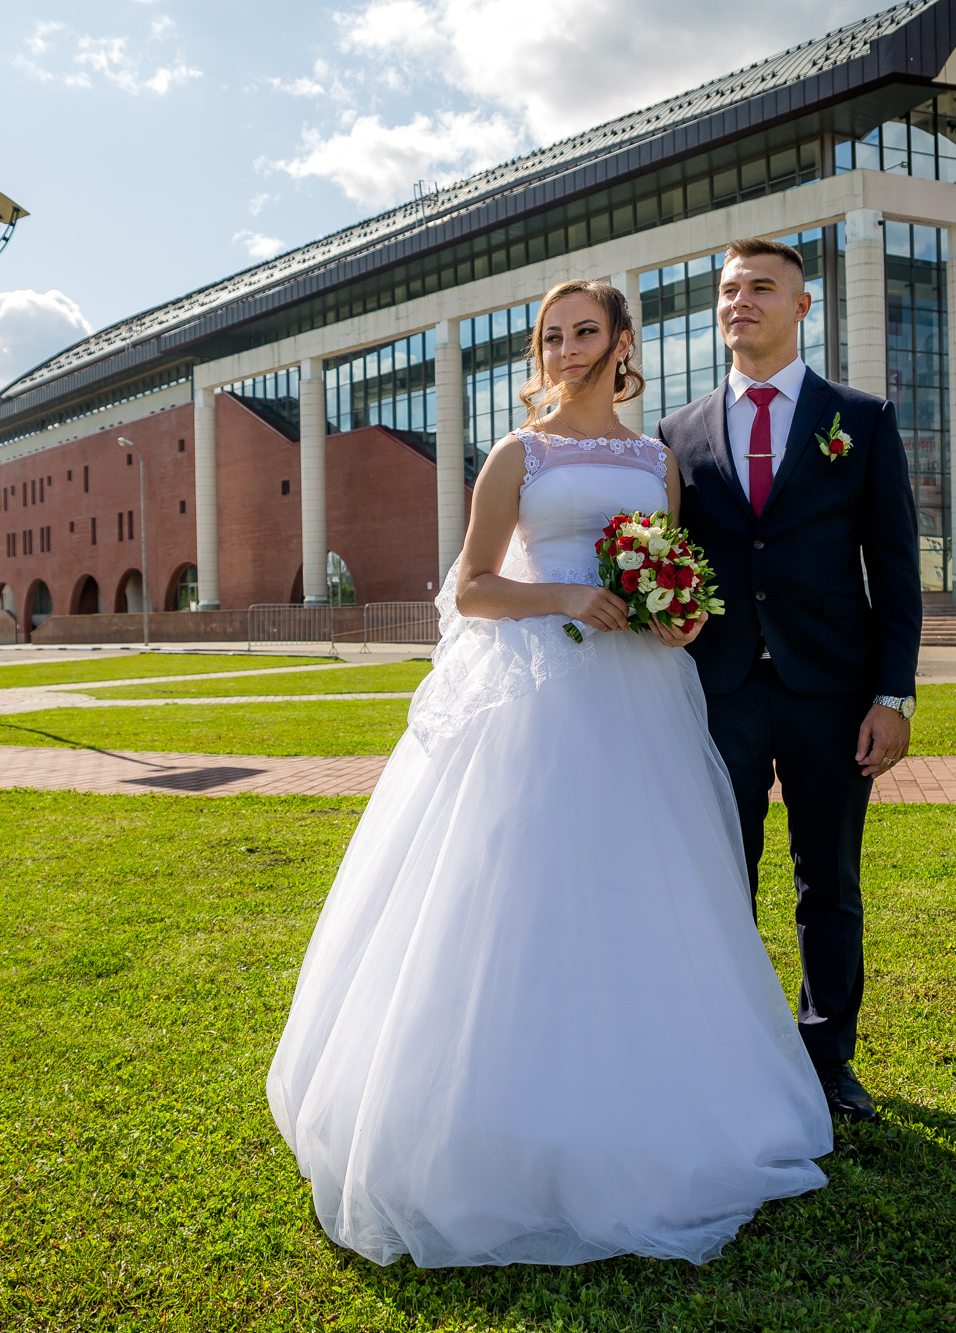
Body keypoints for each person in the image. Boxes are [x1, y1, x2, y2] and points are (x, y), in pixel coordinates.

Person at [267, 278, 832, 1269]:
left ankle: (651, 1101)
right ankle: (499, 1116)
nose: (564, 349)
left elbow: (663, 567)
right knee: (521, 895)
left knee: (642, 892)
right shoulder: (513, 455)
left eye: (584, 332)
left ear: (622, 342)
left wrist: (675, 612)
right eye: (550, 335)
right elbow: (472, 589)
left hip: (641, 696)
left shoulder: (655, 460)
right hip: (537, 694)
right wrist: (566, 591)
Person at [656, 237, 922, 1126]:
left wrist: (893, 695)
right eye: (729, 290)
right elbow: (669, 557)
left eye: (761, 288)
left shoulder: (862, 418)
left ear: (803, 306)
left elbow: (895, 569)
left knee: (829, 883)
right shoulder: (678, 433)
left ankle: (826, 1060)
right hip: (718, 690)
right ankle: (724, 1050)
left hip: (832, 694)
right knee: (719, 878)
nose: (741, 302)